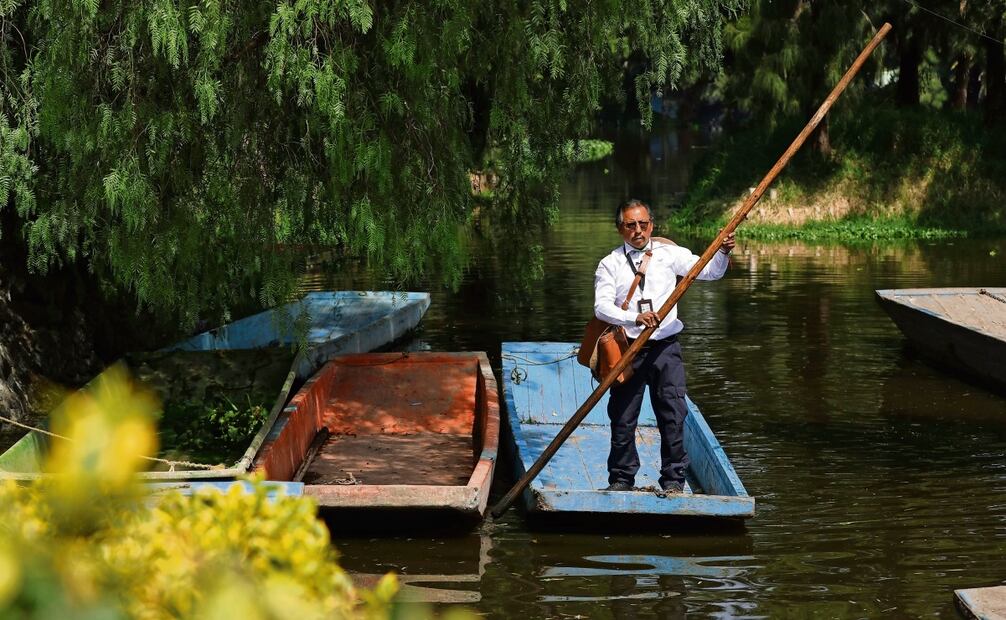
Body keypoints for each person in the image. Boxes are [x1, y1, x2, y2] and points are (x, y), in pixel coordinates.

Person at [593, 199, 735, 494]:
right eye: (630, 225)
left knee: (673, 414)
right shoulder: (611, 263)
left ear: (651, 225)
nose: (638, 230)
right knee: (622, 416)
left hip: (665, 348)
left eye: (643, 224)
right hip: (628, 347)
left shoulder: (670, 255)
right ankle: (621, 478)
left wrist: (722, 250)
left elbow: (708, 271)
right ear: (620, 229)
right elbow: (601, 307)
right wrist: (634, 317)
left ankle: (673, 481)